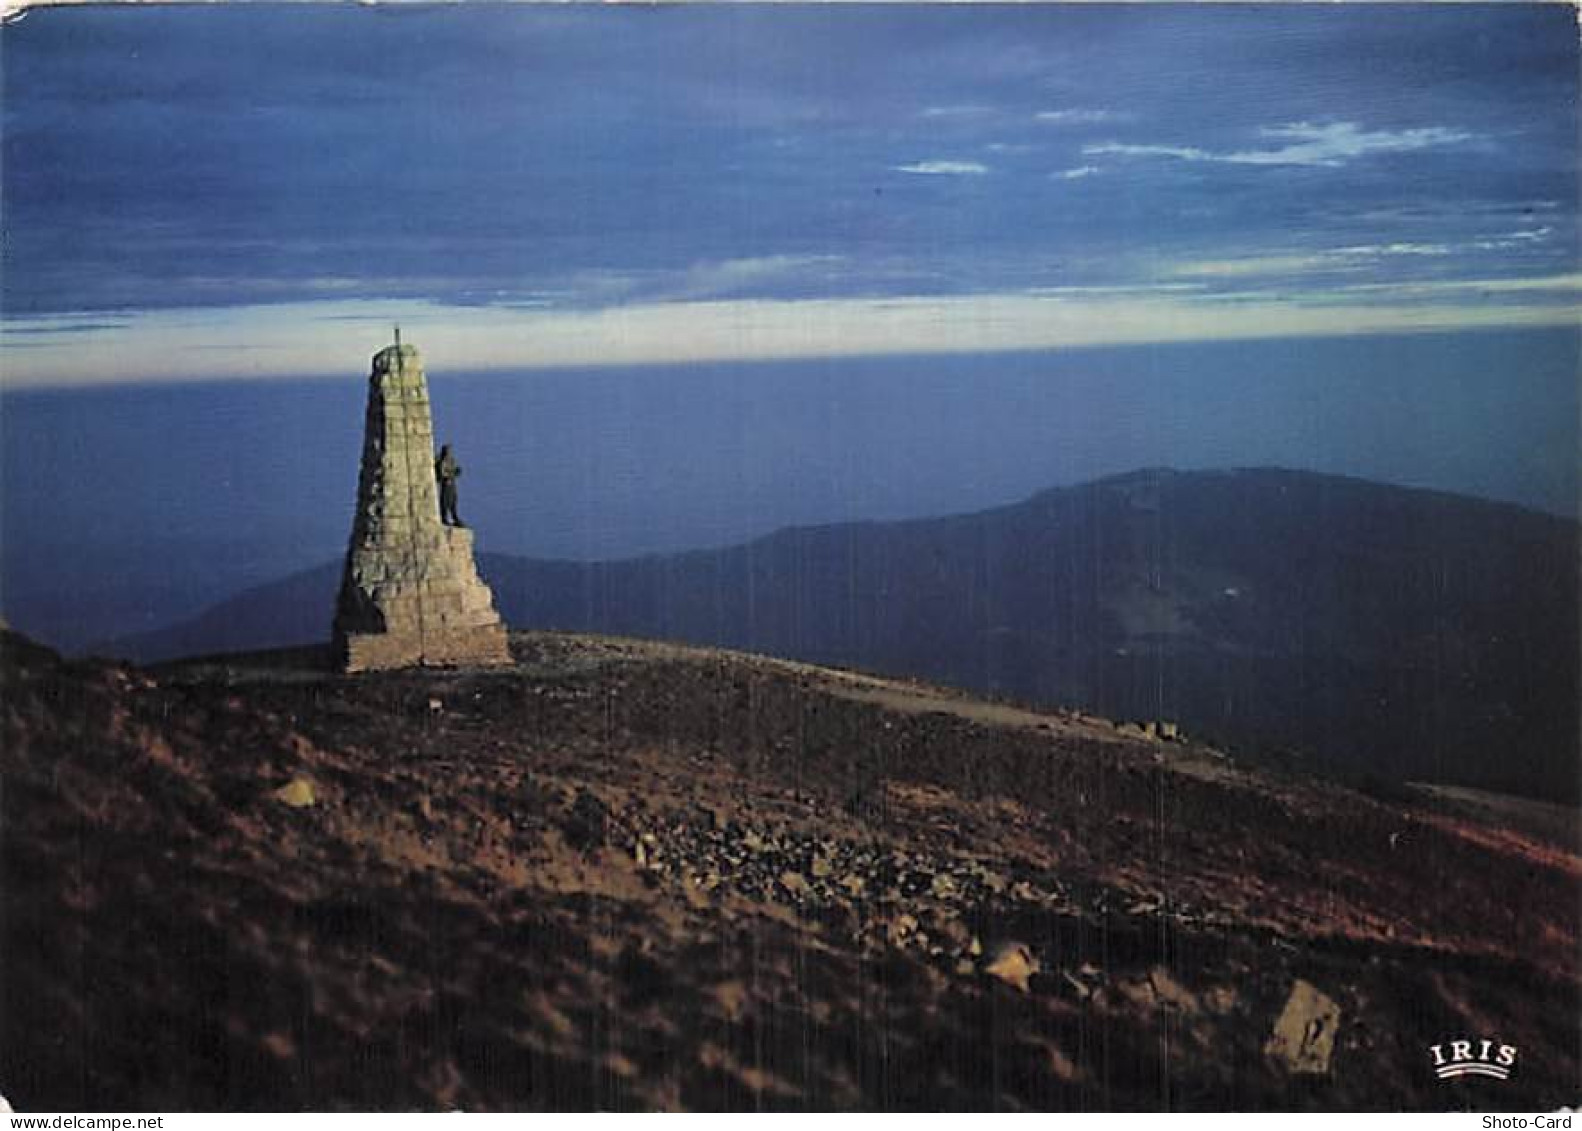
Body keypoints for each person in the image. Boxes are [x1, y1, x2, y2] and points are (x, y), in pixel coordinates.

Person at [435, 443, 464, 527]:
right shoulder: (442, 462)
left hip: (452, 484)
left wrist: (456, 472)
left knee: (453, 501)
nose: (449, 452)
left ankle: (455, 517)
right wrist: (450, 475)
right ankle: (444, 518)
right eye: (447, 451)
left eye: (450, 451)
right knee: (445, 502)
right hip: (446, 485)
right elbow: (442, 473)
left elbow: (454, 470)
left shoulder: (452, 460)